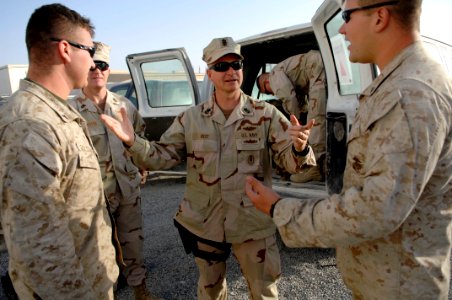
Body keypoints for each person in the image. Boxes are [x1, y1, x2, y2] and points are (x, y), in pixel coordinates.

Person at [245, 0, 452, 299]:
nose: (341, 28)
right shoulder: (396, 84)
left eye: (346, 15)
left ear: (380, 17)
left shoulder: (408, 95)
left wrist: (280, 209)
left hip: (397, 287)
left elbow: (376, 208)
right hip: (387, 278)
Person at [101, 37, 316, 299]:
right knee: (210, 290)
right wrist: (134, 142)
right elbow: (162, 157)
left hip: (252, 223)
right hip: (205, 223)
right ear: (210, 73)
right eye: (221, 66)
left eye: (235, 64)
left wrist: (300, 148)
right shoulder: (190, 119)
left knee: (264, 291)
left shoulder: (266, 114)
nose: (230, 72)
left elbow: (291, 165)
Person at [0, 3, 119, 299]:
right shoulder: (30, 124)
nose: (94, 63)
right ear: (65, 49)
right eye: (89, 51)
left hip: (92, 279)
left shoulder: (53, 113)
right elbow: (40, 251)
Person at [69, 42, 162, 300]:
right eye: (91, 66)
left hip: (127, 190)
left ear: (108, 71)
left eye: (103, 65)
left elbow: (139, 138)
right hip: (93, 198)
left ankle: (141, 292)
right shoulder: (71, 112)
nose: (97, 70)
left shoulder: (124, 107)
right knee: (99, 251)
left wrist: (141, 167)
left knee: (134, 244)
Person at [256, 51, 327, 183]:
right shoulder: (288, 75)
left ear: (266, 82)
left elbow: (289, 97)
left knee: (316, 120)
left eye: (267, 91)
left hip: (316, 68)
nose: (272, 94)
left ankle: (314, 169)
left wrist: (296, 122)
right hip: (317, 66)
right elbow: (301, 102)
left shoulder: (273, 76)